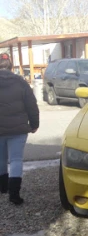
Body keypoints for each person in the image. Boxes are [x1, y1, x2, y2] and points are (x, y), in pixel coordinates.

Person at [0, 53, 39, 205]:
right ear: (11, 66)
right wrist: (34, 124)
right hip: (18, 129)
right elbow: (31, 105)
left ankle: (3, 188)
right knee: (16, 159)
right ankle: (14, 194)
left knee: (1, 159)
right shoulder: (21, 82)